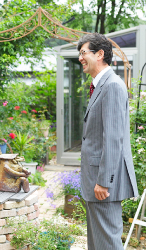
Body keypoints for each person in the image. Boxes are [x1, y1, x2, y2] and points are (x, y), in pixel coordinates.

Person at [78, 33, 138, 249]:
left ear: (100, 54)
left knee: (107, 244)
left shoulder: (111, 85)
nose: (80, 58)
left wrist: (104, 181)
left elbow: (113, 139)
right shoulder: (101, 85)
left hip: (103, 184)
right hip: (97, 181)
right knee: (98, 242)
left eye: (83, 52)